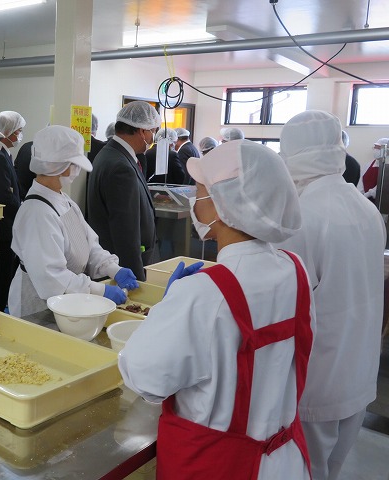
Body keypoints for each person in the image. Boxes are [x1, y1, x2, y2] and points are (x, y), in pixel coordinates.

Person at [120, 139, 314, 480]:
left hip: (220, 464)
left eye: (199, 190)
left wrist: (169, 310)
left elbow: (145, 379)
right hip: (284, 459)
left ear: (224, 205)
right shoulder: (295, 269)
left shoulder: (203, 293)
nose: (195, 199)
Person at [274, 110, 386, 480]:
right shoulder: (365, 208)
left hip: (318, 377)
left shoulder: (303, 214)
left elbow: (283, 302)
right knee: (332, 468)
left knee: (307, 469)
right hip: (359, 369)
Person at [8, 125, 139, 318]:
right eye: (74, 164)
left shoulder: (64, 200)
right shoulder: (37, 212)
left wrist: (113, 268)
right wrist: (100, 291)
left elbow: (89, 245)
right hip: (38, 307)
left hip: (68, 300)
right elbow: (52, 277)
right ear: (57, 166)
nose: (77, 171)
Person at [87, 100, 160, 281]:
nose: (153, 138)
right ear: (142, 131)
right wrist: (136, 278)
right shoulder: (121, 167)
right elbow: (126, 231)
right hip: (122, 265)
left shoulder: (112, 154)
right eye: (153, 131)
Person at [0, 110, 26, 311]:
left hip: (10, 225)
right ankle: (0, 308)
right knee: (3, 275)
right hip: (3, 227)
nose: (20, 136)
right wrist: (21, 209)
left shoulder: (6, 154)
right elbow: (3, 194)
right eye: (18, 131)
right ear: (7, 132)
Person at [358, 137, 389, 201]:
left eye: (378, 148)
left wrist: (367, 194)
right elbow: (361, 180)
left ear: (386, 150)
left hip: (381, 201)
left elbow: (381, 187)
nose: (375, 150)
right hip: (364, 200)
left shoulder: (387, 167)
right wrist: (360, 195)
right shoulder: (368, 165)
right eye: (375, 147)